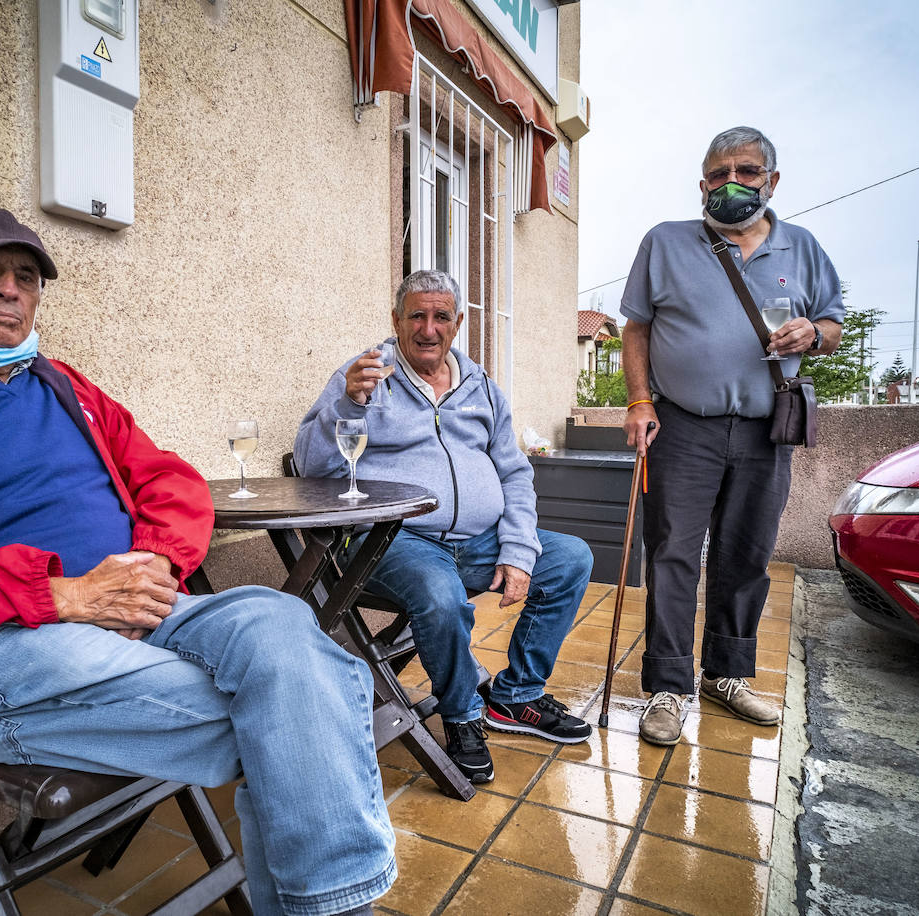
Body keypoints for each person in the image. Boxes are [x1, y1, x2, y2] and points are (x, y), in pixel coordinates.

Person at [0, 209, 395, 915]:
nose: (9, 289)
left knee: (280, 625)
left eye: (25, 277)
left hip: (140, 611)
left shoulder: (71, 391)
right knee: (303, 702)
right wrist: (64, 596)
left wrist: (148, 570)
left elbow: (171, 481)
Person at [294, 270, 594, 786]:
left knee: (569, 559)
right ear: (396, 321)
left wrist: (519, 547)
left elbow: (515, 475)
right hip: (389, 540)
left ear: (457, 325)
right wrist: (348, 405)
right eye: (416, 315)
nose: (428, 329)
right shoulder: (365, 375)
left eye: (440, 317)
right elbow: (310, 465)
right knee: (439, 591)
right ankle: (461, 717)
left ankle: (515, 696)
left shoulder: (482, 388)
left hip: (476, 541)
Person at [620, 127, 843, 746]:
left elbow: (834, 325)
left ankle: (728, 673)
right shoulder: (665, 242)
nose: (731, 184)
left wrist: (812, 335)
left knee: (746, 555)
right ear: (701, 185)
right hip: (683, 424)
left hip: (765, 426)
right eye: (718, 175)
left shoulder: (802, 249)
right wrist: (639, 401)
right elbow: (634, 328)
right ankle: (667, 685)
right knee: (671, 555)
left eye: (746, 172)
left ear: (772, 181)